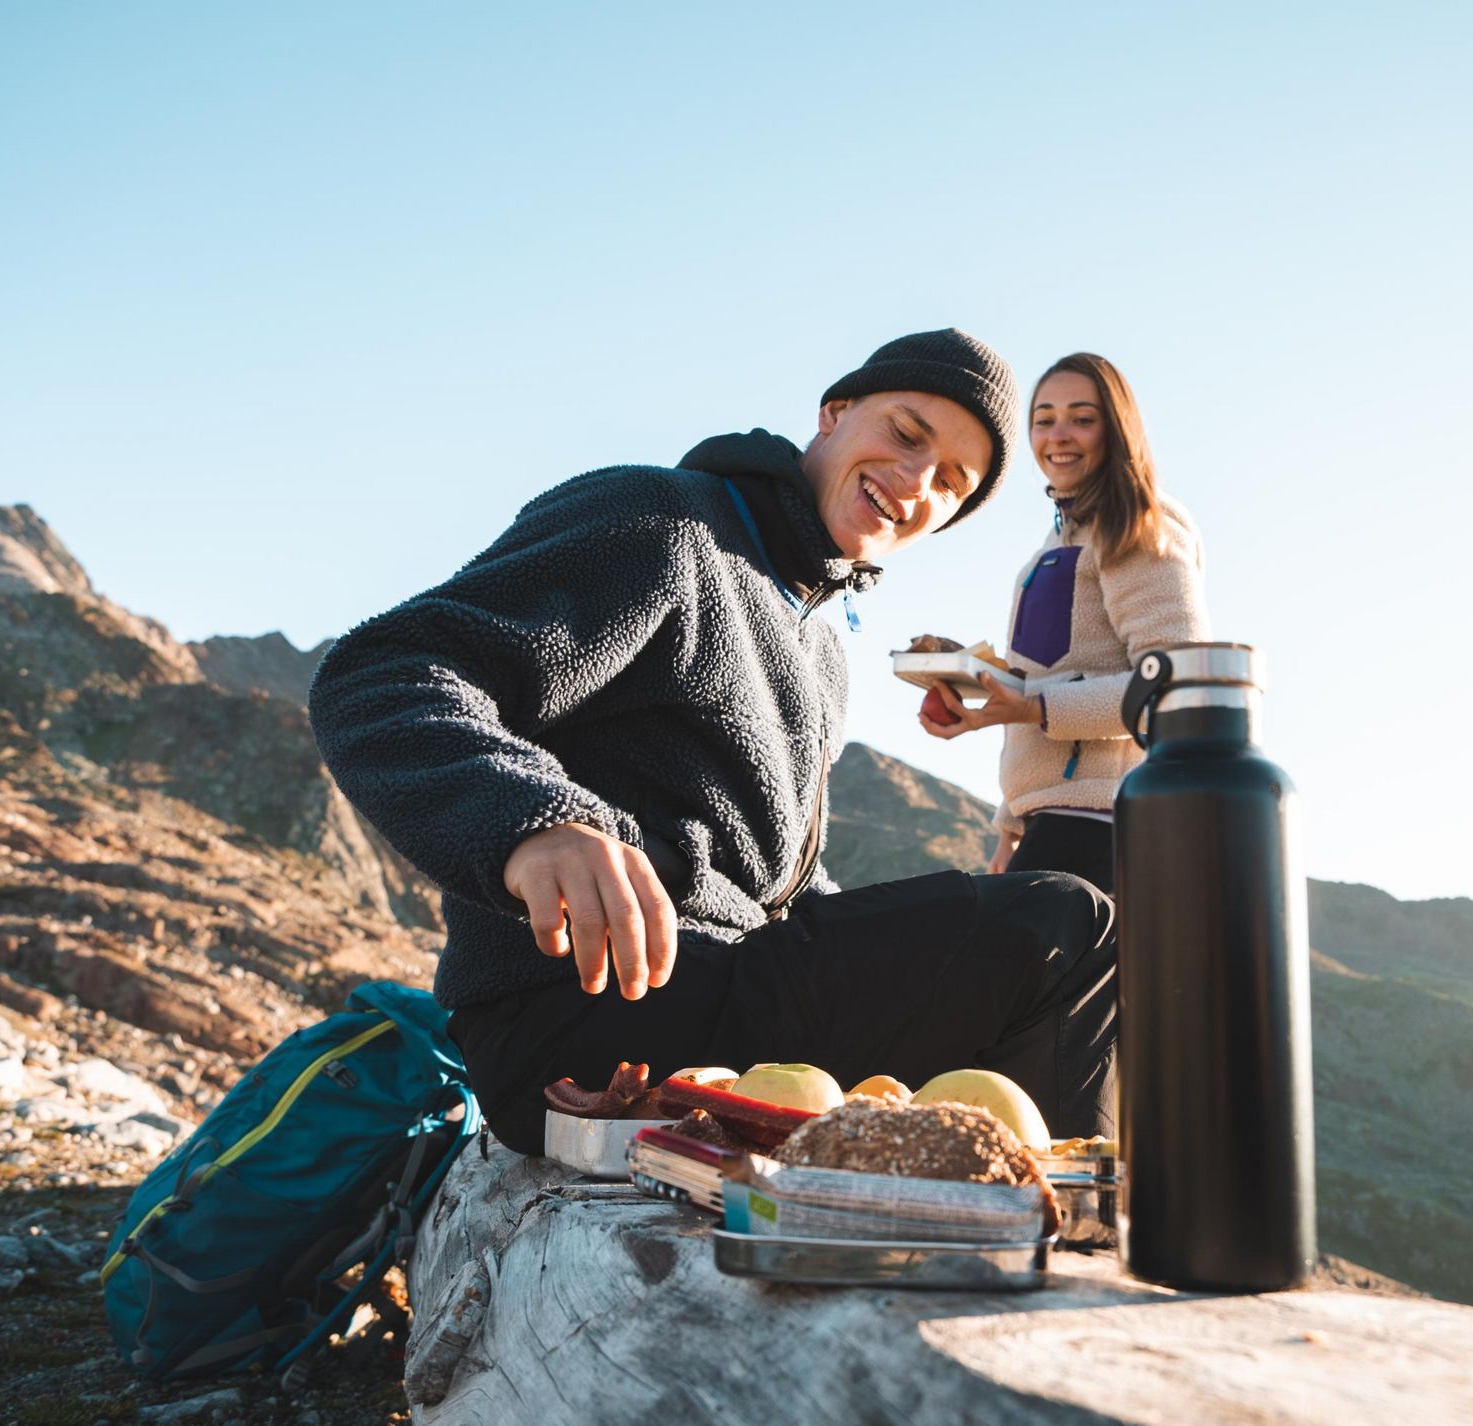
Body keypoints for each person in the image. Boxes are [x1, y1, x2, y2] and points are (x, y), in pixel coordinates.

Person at [308, 330, 1118, 1156]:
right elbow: (387, 670)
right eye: (907, 435)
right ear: (833, 414)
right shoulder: (662, 523)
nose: (914, 483)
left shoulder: (820, 648)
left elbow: (775, 886)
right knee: (1067, 919)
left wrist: (930, 948)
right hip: (587, 1010)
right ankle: (1065, 1236)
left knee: (1033, 947)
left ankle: (988, 1217)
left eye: (950, 482)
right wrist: (534, 821)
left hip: (728, 996)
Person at [917, 352, 1209, 893]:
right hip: (1051, 824)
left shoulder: (1140, 526)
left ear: (1116, 429)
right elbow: (1052, 678)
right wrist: (1011, 826)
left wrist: (1032, 706)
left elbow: (1172, 684)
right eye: (1044, 419)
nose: (1059, 435)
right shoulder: (1060, 540)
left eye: (1082, 417)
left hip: (1107, 827)